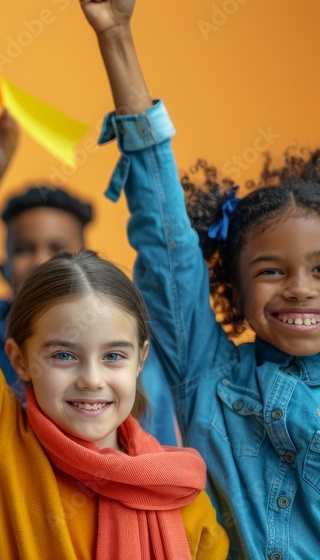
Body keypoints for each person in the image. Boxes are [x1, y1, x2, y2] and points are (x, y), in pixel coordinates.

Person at [0, 42, 228, 557]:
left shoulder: (183, 495)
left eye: (114, 355)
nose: (91, 378)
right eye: (62, 354)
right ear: (18, 358)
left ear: (141, 358)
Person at [93, 0, 320, 554]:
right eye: (271, 271)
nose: (299, 287)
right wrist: (116, 35)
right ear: (235, 292)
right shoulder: (210, 379)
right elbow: (167, 244)